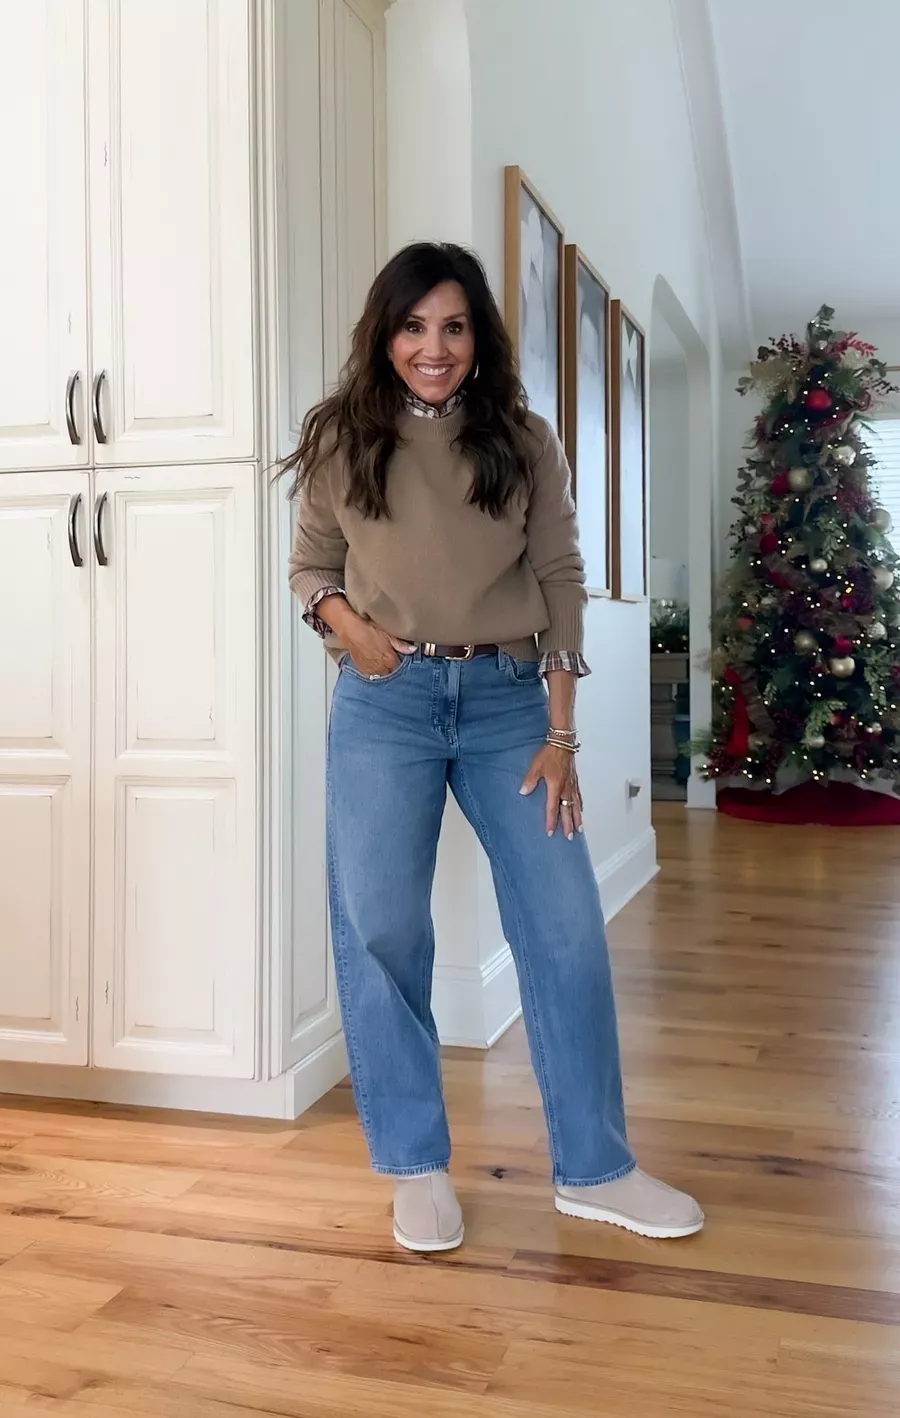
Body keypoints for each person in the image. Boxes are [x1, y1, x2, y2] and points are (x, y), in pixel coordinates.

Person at [286, 242, 703, 1252]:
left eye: (455, 326)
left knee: (562, 925)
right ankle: (417, 1167)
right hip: (385, 703)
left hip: (513, 702)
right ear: (385, 334)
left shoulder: (523, 436)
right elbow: (310, 567)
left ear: (481, 335)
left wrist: (563, 732)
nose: (435, 348)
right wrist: (351, 629)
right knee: (381, 925)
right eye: (415, 326)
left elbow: (561, 577)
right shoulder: (342, 438)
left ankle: (596, 1167)